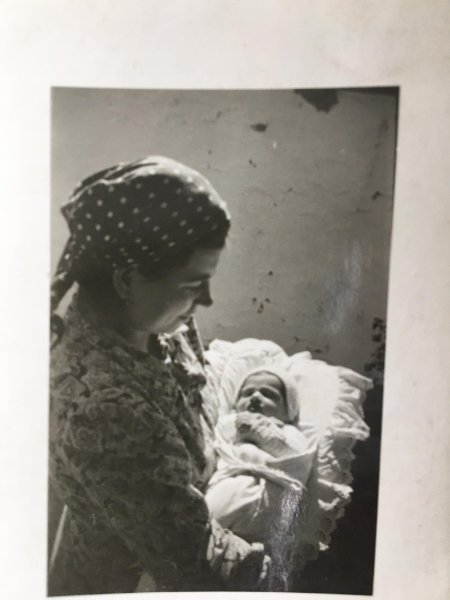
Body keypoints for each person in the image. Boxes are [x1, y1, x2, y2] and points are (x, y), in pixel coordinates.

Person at [48, 156, 270, 595]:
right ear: (126, 280)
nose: (206, 300)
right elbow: (192, 562)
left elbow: (192, 393)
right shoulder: (106, 409)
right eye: (193, 284)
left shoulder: (161, 322)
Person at [205, 366, 318, 548]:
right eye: (247, 393)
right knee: (207, 522)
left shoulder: (289, 431)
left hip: (273, 492)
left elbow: (297, 458)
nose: (256, 397)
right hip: (230, 483)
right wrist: (239, 424)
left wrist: (259, 431)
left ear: (288, 410)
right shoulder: (230, 423)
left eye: (268, 394)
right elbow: (220, 435)